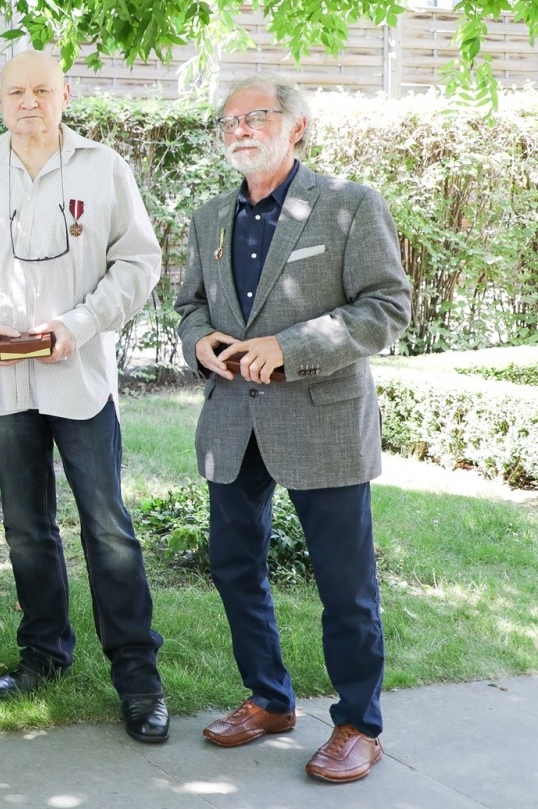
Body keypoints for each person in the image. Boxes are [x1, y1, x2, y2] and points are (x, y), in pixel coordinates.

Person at [0, 50, 170, 742]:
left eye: (41, 89)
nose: (27, 102)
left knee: (108, 528)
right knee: (26, 528)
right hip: (4, 381)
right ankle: (44, 653)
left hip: (81, 379)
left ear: (65, 94)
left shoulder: (104, 168)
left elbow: (138, 261)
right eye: (15, 92)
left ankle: (136, 674)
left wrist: (79, 324)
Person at [175, 77, 411, 783]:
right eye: (229, 121)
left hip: (323, 421)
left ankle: (357, 724)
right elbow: (188, 307)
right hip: (232, 422)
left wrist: (291, 347)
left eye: (256, 117)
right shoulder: (209, 217)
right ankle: (270, 699)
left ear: (297, 127)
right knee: (235, 568)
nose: (239, 129)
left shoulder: (349, 205)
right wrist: (200, 343)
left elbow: (387, 307)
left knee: (345, 587)